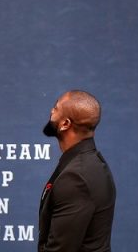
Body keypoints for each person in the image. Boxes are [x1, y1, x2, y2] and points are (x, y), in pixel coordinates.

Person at [39, 90, 116, 252]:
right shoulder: (92, 162)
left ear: (65, 124)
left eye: (56, 107)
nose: (51, 111)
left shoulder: (76, 178)